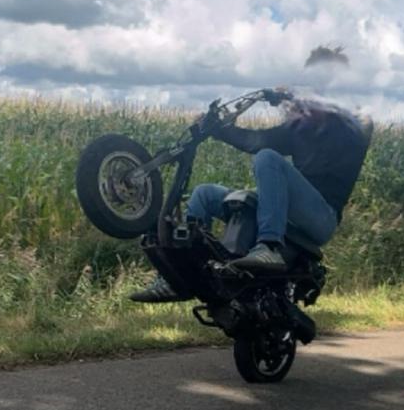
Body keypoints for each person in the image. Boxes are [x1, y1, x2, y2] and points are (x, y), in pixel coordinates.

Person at [132, 94, 373, 302]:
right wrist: (217, 128)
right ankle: (180, 276)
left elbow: (364, 121)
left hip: (321, 217)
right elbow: (253, 141)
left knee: (268, 158)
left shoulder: (350, 131)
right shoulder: (300, 130)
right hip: (285, 208)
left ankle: (269, 246)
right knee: (204, 194)